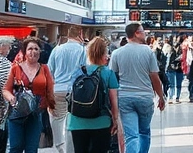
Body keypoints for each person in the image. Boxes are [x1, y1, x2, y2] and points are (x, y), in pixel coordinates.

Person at [109, 23, 166, 153]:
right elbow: (154, 77)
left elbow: (112, 78)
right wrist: (161, 96)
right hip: (145, 97)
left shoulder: (117, 53)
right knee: (144, 132)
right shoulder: (148, 52)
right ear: (136, 33)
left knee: (131, 135)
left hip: (125, 97)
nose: (145, 34)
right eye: (143, 31)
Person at [68, 37, 122, 153]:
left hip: (77, 121)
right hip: (101, 122)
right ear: (104, 54)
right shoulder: (108, 73)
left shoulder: (77, 72)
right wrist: (115, 120)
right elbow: (113, 101)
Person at [2, 37, 55, 153]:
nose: (33, 51)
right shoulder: (16, 68)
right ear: (25, 51)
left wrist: (51, 106)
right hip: (17, 113)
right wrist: (11, 98)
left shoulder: (44, 69)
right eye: (30, 49)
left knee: (32, 148)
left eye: (36, 49)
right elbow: (6, 89)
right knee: (15, 147)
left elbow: (50, 91)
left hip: (36, 114)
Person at [49, 25, 87, 153]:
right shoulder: (83, 50)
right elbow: (86, 70)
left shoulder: (57, 50)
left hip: (58, 89)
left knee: (57, 119)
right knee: (73, 120)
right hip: (76, 91)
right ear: (80, 34)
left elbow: (49, 71)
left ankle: (60, 147)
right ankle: (72, 147)